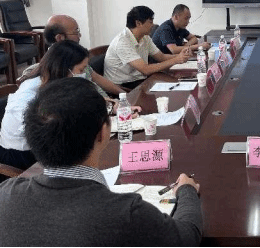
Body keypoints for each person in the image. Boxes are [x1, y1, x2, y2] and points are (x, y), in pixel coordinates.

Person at [0, 77, 202, 246]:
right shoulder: (125, 212)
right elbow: (187, 237)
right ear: (103, 132)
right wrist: (187, 190)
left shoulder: (5, 194)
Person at [0, 41, 90, 170]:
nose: (84, 73)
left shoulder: (50, 82)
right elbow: (49, 135)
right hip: (22, 156)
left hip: (39, 144)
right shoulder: (32, 93)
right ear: (65, 68)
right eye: (81, 69)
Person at [20, 14, 125, 98]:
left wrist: (124, 94)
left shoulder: (76, 58)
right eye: (76, 32)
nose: (79, 35)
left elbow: (97, 78)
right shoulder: (52, 70)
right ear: (60, 38)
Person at [104, 6, 192, 89]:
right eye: (150, 22)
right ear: (138, 23)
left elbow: (161, 57)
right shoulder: (122, 42)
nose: (153, 25)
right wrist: (176, 60)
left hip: (139, 79)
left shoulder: (145, 37)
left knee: (178, 82)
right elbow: (145, 69)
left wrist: (181, 56)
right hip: (122, 86)